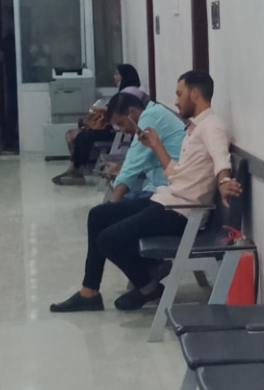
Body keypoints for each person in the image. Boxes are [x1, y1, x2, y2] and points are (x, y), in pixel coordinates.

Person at [49, 70, 239, 313]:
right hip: (166, 200)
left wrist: (224, 181)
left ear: (194, 94)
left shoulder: (212, 126)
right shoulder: (195, 129)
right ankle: (90, 292)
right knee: (97, 215)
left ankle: (148, 284)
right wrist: (157, 146)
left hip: (180, 213)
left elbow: (221, 158)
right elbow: (176, 174)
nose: (176, 101)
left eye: (179, 94)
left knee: (107, 239)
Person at [53, 63, 144, 185]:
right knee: (83, 135)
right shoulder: (127, 90)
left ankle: (77, 170)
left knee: (84, 137)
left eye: (117, 74)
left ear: (125, 76)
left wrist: (100, 109)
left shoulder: (130, 91)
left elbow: (116, 111)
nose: (114, 76)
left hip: (118, 131)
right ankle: (75, 169)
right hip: (115, 128)